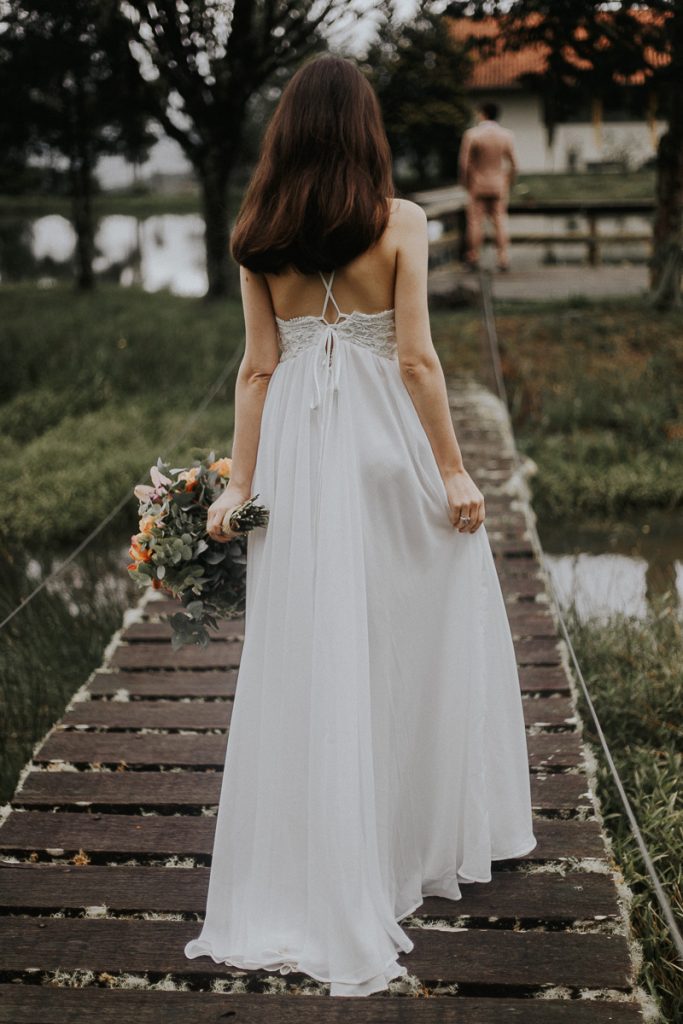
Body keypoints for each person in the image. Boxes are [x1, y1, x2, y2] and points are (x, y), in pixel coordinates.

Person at [183, 54, 536, 998]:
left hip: (299, 455)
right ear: (365, 132)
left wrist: (237, 488)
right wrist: (454, 471)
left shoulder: (253, 234)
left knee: (312, 639)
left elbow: (257, 371)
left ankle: (331, 843)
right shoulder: (404, 223)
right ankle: (410, 838)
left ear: (286, 134)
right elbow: (417, 360)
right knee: (419, 627)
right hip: (386, 447)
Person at [458, 101, 518, 272]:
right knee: (500, 221)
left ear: (483, 114)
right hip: (498, 184)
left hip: (477, 184)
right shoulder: (507, 135)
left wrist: (466, 183)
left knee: (475, 222)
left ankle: (473, 256)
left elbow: (464, 163)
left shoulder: (472, 135)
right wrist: (508, 181)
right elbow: (514, 164)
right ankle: (503, 258)